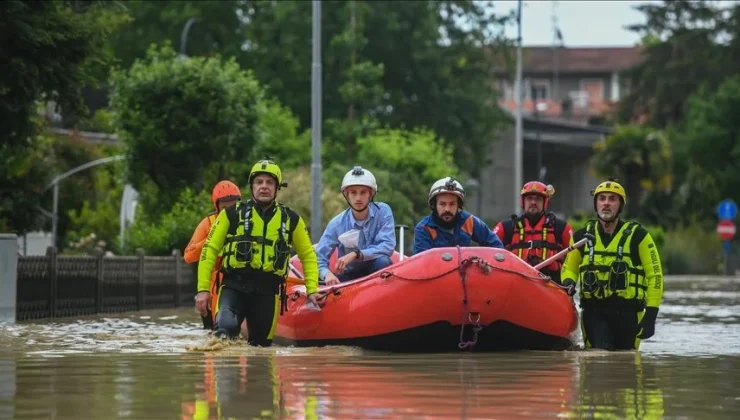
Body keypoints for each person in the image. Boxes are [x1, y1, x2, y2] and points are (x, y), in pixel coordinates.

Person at [196, 157, 321, 345]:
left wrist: (312, 290)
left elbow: (308, 256)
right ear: (252, 186)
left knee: (261, 349)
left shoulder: (291, 219)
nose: (264, 186)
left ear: (277, 188)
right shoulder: (231, 214)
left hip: (267, 294)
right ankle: (225, 372)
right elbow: (209, 250)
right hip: (234, 288)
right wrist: (203, 290)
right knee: (224, 332)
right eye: (259, 182)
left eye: (269, 182)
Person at [561, 178, 664, 351]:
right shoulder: (581, 237)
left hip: (629, 313)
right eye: (602, 199)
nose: (606, 204)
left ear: (620, 205)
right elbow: (569, 268)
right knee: (598, 361)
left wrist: (651, 315)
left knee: (626, 364)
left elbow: (655, 276)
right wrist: (568, 282)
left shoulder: (639, 236)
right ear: (596, 204)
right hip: (594, 312)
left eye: (612, 199)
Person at [317, 166, 396, 286]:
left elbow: (387, 246)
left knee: (383, 261)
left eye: (363, 192)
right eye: (353, 193)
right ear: (346, 195)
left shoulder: (383, 211)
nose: (358, 198)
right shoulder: (336, 223)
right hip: (348, 276)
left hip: (376, 270)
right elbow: (319, 257)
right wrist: (327, 274)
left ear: (371, 194)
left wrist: (356, 254)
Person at [184, 180, 242, 331]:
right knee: (211, 332)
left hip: (238, 284)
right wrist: (212, 238)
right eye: (225, 208)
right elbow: (189, 255)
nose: (229, 211)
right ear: (217, 207)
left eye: (233, 206)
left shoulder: (246, 221)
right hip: (212, 289)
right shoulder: (208, 223)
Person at [492, 181, 573, 283]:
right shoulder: (506, 228)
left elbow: (575, 256)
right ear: (523, 201)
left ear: (545, 202)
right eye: (529, 198)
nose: (533, 202)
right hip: (516, 283)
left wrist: (569, 279)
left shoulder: (561, 228)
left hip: (551, 284)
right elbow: (489, 252)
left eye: (538, 199)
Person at [413, 177, 503, 254]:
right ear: (434, 205)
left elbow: (496, 247)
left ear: (458, 205)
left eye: (452, 204)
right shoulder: (423, 228)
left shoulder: (469, 221)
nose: (447, 209)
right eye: (442, 204)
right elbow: (422, 262)